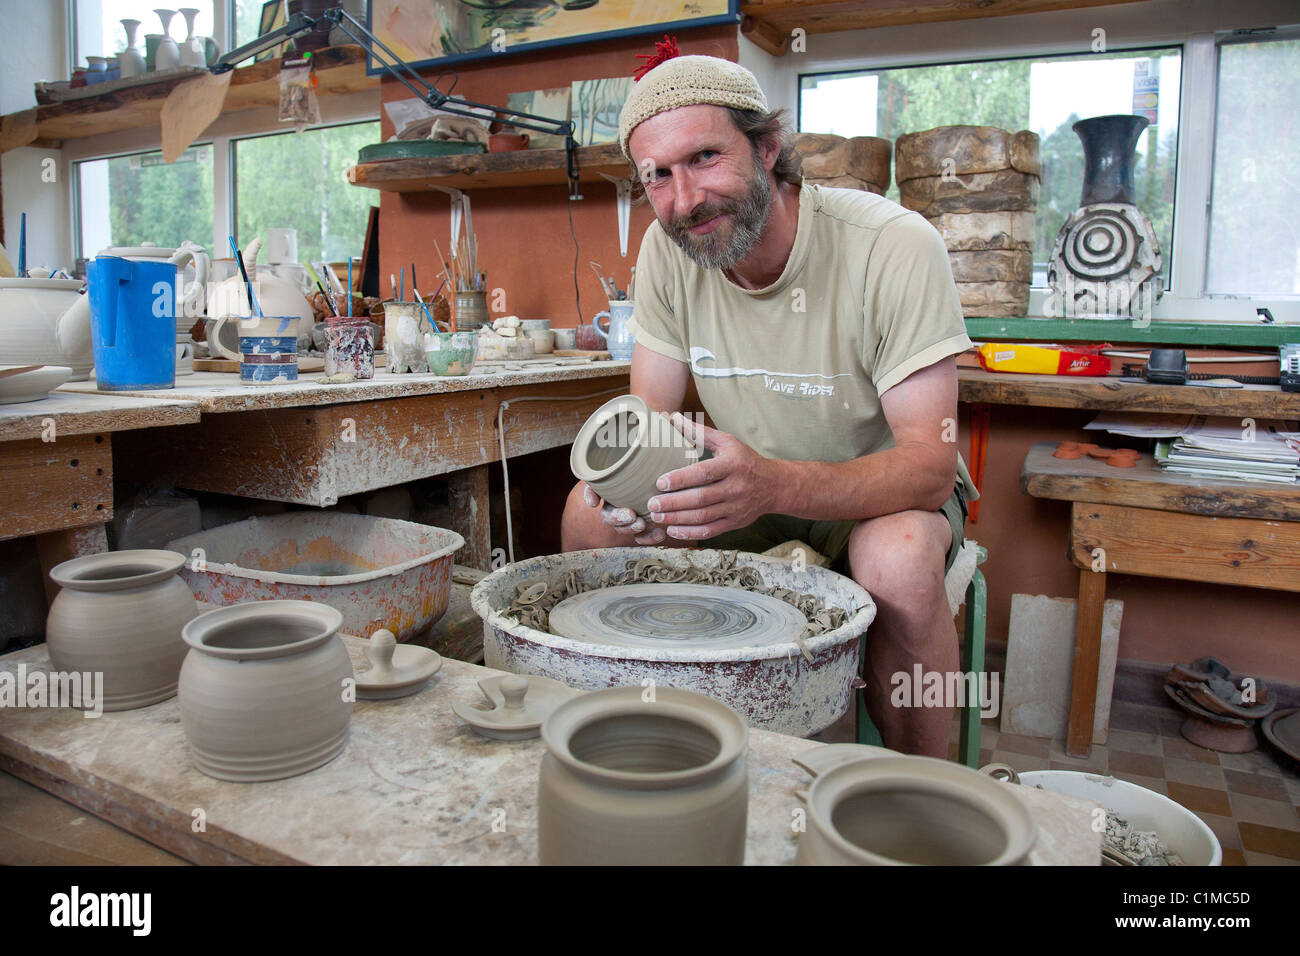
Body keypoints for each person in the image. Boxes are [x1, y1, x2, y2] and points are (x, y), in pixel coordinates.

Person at [559, 43, 977, 758]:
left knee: (898, 560)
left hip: (875, 495)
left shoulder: (893, 245)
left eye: (704, 159)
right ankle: (628, 748)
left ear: (769, 147)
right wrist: (631, 498)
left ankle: (924, 792)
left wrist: (775, 482)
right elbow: (651, 424)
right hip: (743, 489)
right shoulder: (670, 251)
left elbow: (928, 467)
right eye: (657, 176)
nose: (684, 200)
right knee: (586, 514)